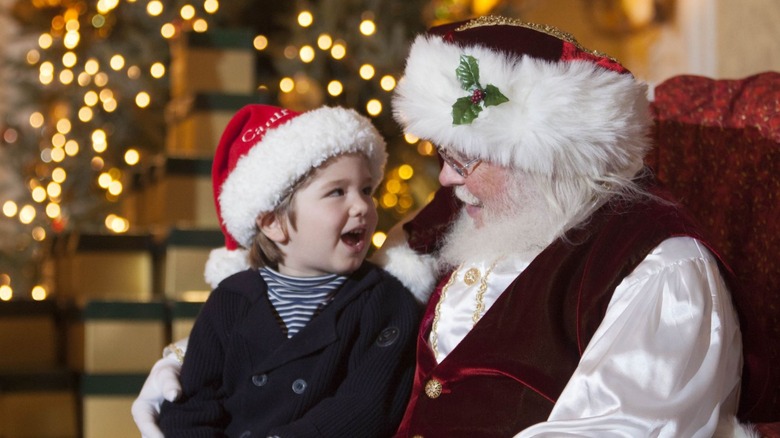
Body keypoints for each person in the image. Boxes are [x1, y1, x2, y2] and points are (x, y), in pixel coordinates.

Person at [135, 16, 763, 437]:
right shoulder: (464, 224)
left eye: (464, 159)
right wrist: (186, 368)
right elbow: (323, 311)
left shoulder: (659, 269)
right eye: (443, 157)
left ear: (540, 157)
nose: (445, 182)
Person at [150, 104, 420, 437]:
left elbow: (366, 407)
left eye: (366, 190)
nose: (362, 206)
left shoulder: (385, 302)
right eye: (337, 192)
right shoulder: (231, 300)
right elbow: (192, 406)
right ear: (273, 223)